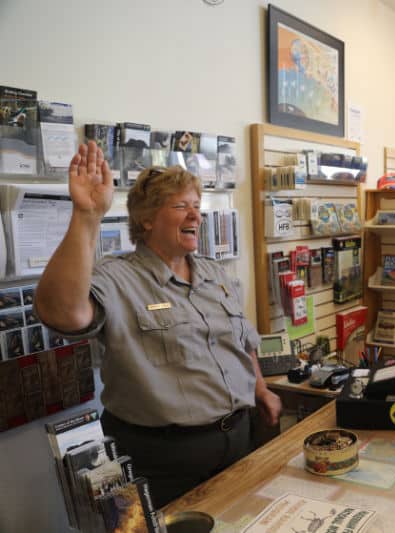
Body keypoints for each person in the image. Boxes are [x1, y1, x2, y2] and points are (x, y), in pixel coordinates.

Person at [34, 141, 282, 508]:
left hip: (238, 443)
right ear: (146, 220)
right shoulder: (117, 278)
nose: (195, 216)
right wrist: (87, 216)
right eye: (180, 206)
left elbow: (241, 343)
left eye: (196, 206)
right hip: (163, 462)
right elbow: (61, 313)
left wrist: (260, 390)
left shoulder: (215, 273)